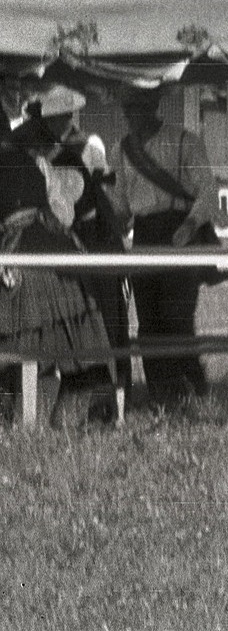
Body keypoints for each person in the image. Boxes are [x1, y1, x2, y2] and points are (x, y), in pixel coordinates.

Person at [110, 90, 221, 403]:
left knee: (178, 317)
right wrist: (110, 219)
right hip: (145, 234)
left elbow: (208, 191)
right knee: (148, 319)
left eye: (138, 108)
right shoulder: (121, 149)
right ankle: (160, 392)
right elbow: (121, 202)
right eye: (128, 109)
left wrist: (190, 224)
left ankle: (194, 388)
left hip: (179, 232)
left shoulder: (184, 141)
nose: (132, 116)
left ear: (154, 107)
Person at [1, 127, 112, 425]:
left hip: (22, 259)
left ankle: (20, 420)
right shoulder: (37, 163)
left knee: (16, 341)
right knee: (72, 336)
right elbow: (64, 214)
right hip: (60, 251)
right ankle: (85, 413)